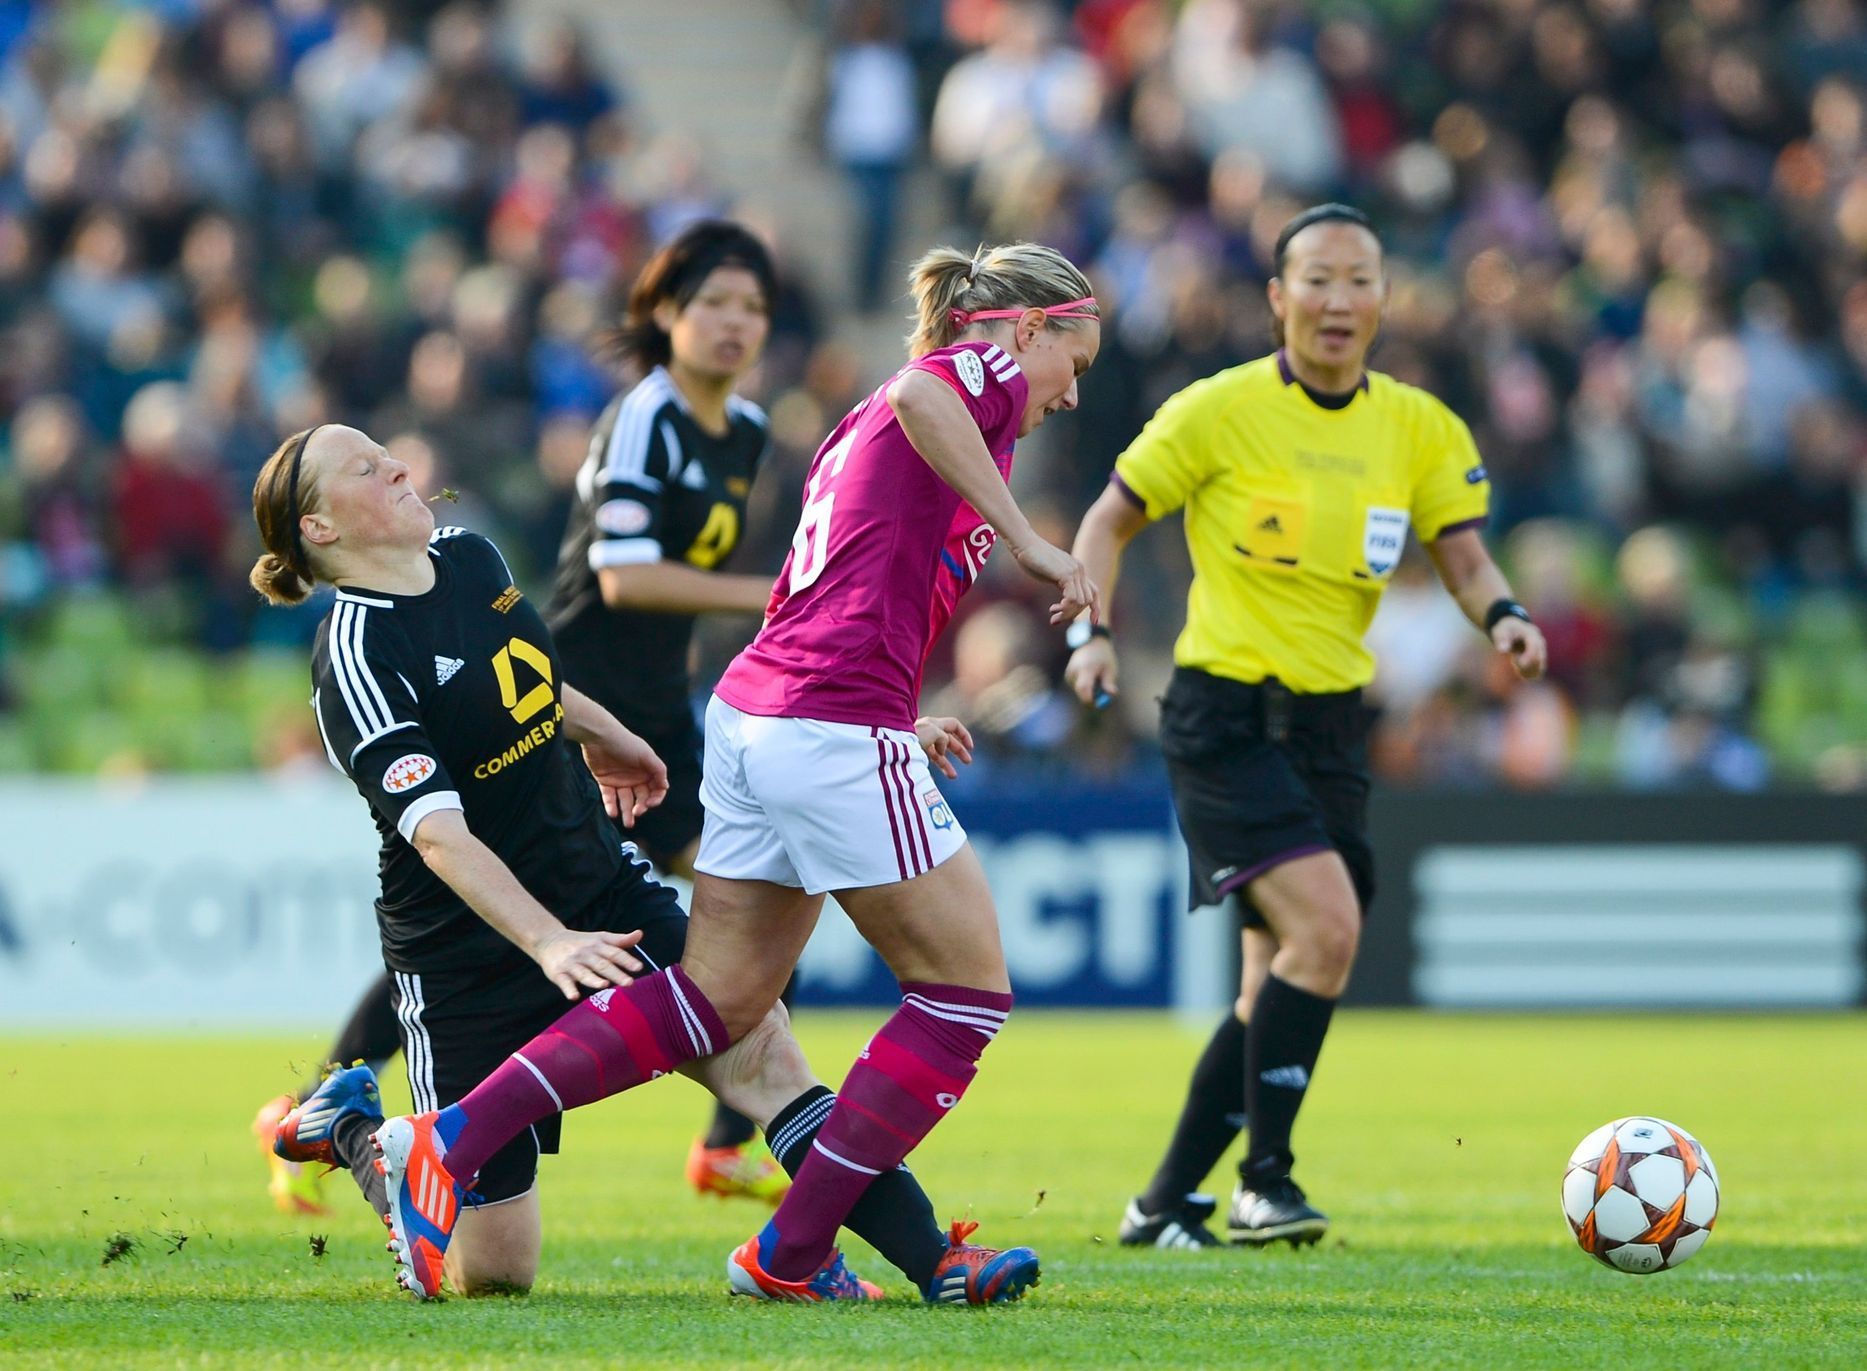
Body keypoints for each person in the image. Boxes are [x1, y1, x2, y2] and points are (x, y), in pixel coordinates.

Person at [369, 242, 1102, 1304]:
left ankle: (450, 1137)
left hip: (768, 711)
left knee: (717, 998)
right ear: (1027, 329)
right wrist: (1027, 540)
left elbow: (837, 580)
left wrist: (895, 716)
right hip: (823, 721)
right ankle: (788, 1254)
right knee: (963, 995)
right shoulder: (968, 377)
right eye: (1074, 363)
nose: (1071, 395)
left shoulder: (890, 424)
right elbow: (919, 391)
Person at [245, 423, 971, 1300]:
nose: (397, 466)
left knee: (759, 1050)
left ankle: (932, 1259)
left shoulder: (469, 556)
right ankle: (354, 1132)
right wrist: (547, 941)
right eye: (366, 468)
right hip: (464, 956)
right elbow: (436, 836)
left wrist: (607, 732)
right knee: (495, 1273)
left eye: (385, 454)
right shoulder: (355, 654)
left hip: (601, 887)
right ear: (320, 528)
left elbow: (530, 678)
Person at [253, 221, 795, 1214]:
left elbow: (573, 642)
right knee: (540, 913)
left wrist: (620, 724)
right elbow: (623, 578)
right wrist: (774, 600)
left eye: (753, 307)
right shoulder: (646, 418)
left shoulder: (740, 432)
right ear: (665, 315)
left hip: (633, 715)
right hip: (546, 725)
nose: (737, 324)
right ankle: (341, 1111)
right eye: (715, 302)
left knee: (737, 944)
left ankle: (747, 1152)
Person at [1064, 204, 1547, 1248]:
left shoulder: (1420, 427)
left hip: (1332, 727)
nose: (1337, 300)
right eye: (1316, 280)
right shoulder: (1216, 409)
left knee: (1267, 986)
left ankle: (1160, 1204)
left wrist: (1504, 615)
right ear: (1278, 297)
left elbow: (1463, 557)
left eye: (1357, 279)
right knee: (1326, 932)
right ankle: (1264, 1182)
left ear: (1383, 298)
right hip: (1224, 716)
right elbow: (1107, 520)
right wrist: (1088, 634)